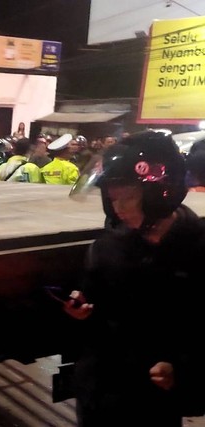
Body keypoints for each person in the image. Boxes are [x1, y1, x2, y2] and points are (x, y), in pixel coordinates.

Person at [64, 130, 205, 426]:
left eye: (128, 198)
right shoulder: (109, 247)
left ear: (160, 192)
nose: (118, 209)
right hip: (101, 393)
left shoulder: (196, 248)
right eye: (112, 199)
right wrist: (79, 312)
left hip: (153, 399)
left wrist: (181, 369)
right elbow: (92, 308)